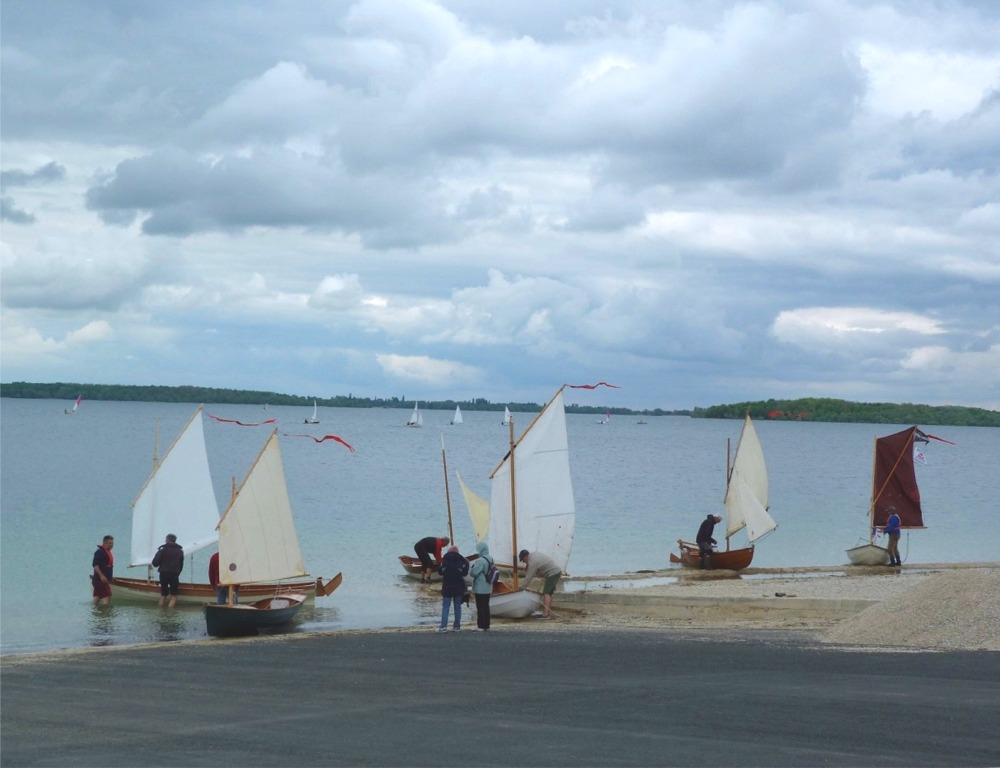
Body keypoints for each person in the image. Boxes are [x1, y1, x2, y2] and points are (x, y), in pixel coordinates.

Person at [518, 549, 562, 618]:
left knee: (546, 593)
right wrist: (528, 566)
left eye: (523, 560)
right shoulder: (534, 554)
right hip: (557, 571)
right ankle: (548, 613)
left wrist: (522, 588)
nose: (524, 562)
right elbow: (540, 568)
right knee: (549, 593)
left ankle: (545, 614)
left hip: (552, 573)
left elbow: (528, 577)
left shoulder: (532, 562)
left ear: (525, 556)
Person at [437, 545, 469, 632]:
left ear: (449, 552)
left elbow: (440, 572)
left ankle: (443, 627)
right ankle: (456, 626)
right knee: (457, 607)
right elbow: (465, 573)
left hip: (447, 586)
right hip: (458, 587)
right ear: (457, 552)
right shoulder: (462, 560)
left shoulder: (444, 560)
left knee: (446, 607)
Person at [468, 540, 495, 631]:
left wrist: (471, 569)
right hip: (488, 586)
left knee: (480, 606)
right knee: (486, 606)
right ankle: (486, 625)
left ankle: (481, 626)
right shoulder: (491, 558)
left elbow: (474, 573)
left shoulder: (480, 560)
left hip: (480, 587)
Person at [151, 533, 184, 608]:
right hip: (174, 574)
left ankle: (161, 612)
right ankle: (170, 613)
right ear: (175, 541)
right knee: (174, 595)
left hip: (163, 574)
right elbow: (181, 565)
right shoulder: (180, 551)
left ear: (167, 540)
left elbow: (155, 563)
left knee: (163, 594)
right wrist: (178, 573)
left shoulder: (162, 550)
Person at [91, 535, 115, 605]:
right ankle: (106, 612)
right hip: (100, 580)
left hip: (99, 580)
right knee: (107, 595)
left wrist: (111, 577)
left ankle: (94, 612)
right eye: (110, 543)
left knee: (98, 596)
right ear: (105, 543)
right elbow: (95, 565)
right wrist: (101, 576)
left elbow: (108, 567)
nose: (112, 545)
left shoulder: (107, 552)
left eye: (112, 543)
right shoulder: (100, 552)